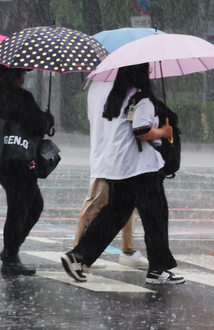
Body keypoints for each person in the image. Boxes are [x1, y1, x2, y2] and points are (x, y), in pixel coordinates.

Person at [61, 63, 184, 285]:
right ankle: (157, 269)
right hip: (142, 170)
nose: (149, 73)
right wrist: (163, 132)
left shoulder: (116, 98)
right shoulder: (142, 99)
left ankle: (78, 257)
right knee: (155, 218)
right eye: (146, 69)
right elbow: (141, 131)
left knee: (113, 216)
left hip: (117, 169)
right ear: (138, 73)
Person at [73, 80, 148, 269]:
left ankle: (128, 250)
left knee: (127, 203)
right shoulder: (111, 87)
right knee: (94, 206)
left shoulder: (101, 85)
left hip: (117, 157)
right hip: (107, 157)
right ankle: (78, 255)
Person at [0, 65, 55, 276]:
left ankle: (11, 250)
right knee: (24, 209)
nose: (25, 77)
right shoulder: (22, 97)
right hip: (21, 162)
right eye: (23, 73)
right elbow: (37, 125)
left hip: (3, 162)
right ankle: (10, 256)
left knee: (26, 206)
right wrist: (49, 119)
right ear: (16, 75)